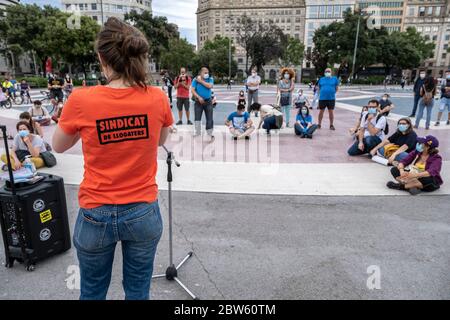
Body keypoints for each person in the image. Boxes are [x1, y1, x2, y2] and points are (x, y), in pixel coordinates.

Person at [52, 17, 173, 300]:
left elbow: (58, 145)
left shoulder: (81, 99)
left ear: (101, 57)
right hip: (143, 210)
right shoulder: (156, 97)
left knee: (93, 292)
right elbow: (160, 141)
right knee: (138, 291)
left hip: (96, 212)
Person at [191, 66, 214, 140]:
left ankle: (209, 133)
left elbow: (210, 86)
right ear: (201, 73)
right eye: (205, 72)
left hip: (208, 101)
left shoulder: (210, 79)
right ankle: (197, 132)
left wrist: (200, 81)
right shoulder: (195, 80)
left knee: (209, 118)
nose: (207, 74)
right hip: (198, 102)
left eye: (208, 72)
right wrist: (198, 97)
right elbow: (193, 90)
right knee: (197, 118)